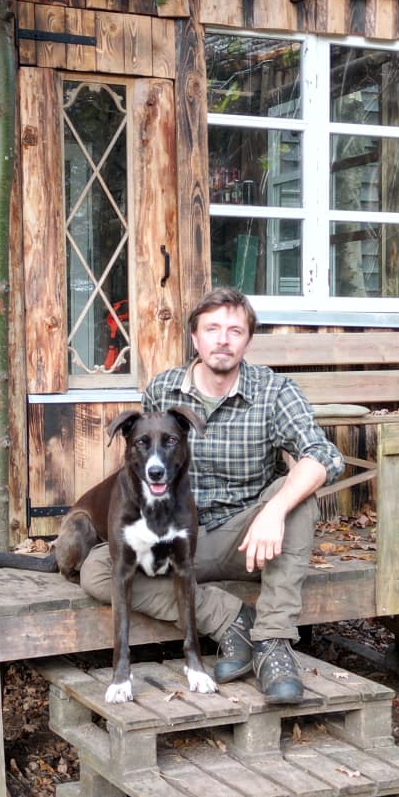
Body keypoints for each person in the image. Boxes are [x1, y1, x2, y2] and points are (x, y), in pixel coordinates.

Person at [77, 287, 342, 705]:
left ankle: (272, 642)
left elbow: (324, 455)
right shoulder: (163, 390)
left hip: (247, 538)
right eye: (212, 329)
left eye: (235, 331)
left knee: (298, 494)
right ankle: (230, 619)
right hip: (176, 535)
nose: (223, 340)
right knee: (95, 570)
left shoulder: (274, 390)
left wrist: (274, 511)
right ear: (195, 338)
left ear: (248, 341)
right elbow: (143, 464)